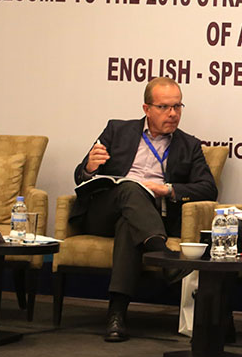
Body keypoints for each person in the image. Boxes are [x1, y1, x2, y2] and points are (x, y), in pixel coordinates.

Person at [71, 77, 217, 342]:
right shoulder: (117, 130)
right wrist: (90, 167)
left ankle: (116, 315)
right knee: (130, 188)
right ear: (146, 108)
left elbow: (208, 189)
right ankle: (162, 254)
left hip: (149, 217)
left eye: (177, 106)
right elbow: (81, 177)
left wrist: (169, 189)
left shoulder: (189, 145)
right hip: (105, 211)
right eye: (164, 107)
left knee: (129, 225)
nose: (172, 114)